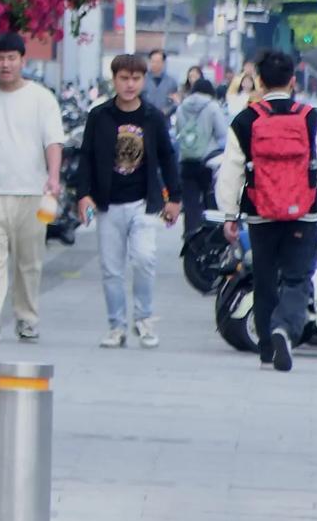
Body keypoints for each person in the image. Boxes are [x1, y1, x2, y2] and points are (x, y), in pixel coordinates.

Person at [215, 49, 317, 373]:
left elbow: (231, 171)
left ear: (258, 81)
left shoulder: (245, 119)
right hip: (304, 211)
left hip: (261, 213)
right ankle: (284, 329)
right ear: (292, 80)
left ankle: (265, 352)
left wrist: (229, 216)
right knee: (297, 277)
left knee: (264, 280)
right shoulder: (311, 117)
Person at [0, 34, 64, 343]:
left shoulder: (42, 98)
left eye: (11, 58)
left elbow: (53, 141)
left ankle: (26, 318)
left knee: (28, 262)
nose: (5, 64)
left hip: (33, 194)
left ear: (23, 60)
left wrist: (53, 177)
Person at [76, 52, 181, 348]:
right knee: (111, 268)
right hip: (107, 203)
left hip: (143, 201)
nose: (130, 84)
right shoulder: (99, 116)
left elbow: (167, 157)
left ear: (144, 80)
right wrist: (83, 194)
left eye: (136, 78)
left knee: (145, 259)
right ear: (115, 80)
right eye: (124, 78)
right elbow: (86, 156)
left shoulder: (153, 117)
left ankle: (144, 319)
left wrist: (175, 197)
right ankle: (116, 326)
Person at [174, 74, 228, 238]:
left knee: (190, 203)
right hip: (208, 161)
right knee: (209, 200)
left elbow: (178, 131)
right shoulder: (212, 106)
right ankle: (207, 236)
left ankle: (190, 236)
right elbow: (222, 133)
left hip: (186, 160)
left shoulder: (182, 107)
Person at [142, 49, 179, 116]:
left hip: (164, 119)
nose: (155, 64)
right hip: (145, 118)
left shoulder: (171, 82)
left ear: (163, 63)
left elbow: (175, 102)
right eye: (153, 61)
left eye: (158, 62)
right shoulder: (142, 80)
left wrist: (167, 110)